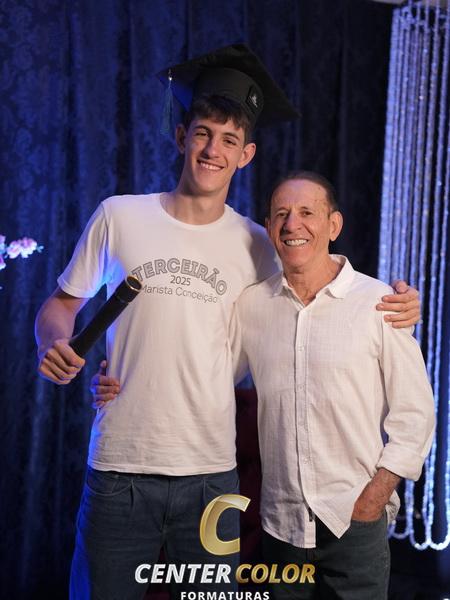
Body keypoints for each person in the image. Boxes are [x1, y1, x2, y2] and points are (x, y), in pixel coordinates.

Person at [35, 43, 420, 600]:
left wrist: (398, 301)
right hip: (121, 467)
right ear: (181, 137)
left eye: (229, 140)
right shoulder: (119, 216)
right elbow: (59, 306)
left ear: (247, 154)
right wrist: (56, 343)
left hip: (211, 480)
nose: (213, 149)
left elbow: (320, 288)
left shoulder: (259, 243)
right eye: (203, 134)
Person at [230, 171, 435, 600]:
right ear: (268, 227)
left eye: (307, 212)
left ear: (333, 225)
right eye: (281, 214)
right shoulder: (251, 306)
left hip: (354, 522)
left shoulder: (380, 303)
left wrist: (372, 499)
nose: (293, 224)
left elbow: (416, 415)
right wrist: (123, 377)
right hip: (280, 527)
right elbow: (208, 376)